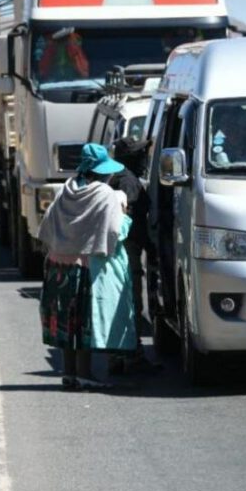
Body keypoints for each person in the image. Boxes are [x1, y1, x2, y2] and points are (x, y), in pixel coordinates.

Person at [38, 143, 137, 390]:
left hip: (58, 265)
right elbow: (115, 231)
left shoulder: (65, 190)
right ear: (101, 171)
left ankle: (69, 373)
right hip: (85, 266)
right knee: (83, 322)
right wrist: (125, 214)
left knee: (66, 322)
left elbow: (48, 223)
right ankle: (85, 374)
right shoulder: (104, 194)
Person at [108, 136, 161, 374]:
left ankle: (119, 356)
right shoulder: (128, 181)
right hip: (127, 249)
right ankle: (133, 355)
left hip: (121, 249)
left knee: (121, 303)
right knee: (132, 302)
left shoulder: (118, 178)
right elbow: (125, 217)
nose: (144, 159)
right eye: (140, 155)